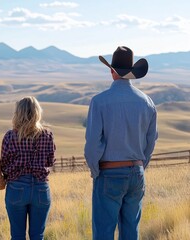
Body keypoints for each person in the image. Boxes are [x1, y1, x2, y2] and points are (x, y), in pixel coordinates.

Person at [84, 46, 158, 240]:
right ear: (131, 73)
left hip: (109, 172)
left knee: (103, 232)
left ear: (111, 70)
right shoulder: (147, 102)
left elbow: (92, 143)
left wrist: (95, 170)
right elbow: (150, 142)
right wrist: (141, 165)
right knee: (131, 230)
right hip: (136, 173)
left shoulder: (99, 101)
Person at [1, 96, 56, 240]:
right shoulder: (47, 135)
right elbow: (51, 160)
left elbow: (4, 164)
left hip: (16, 187)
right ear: (37, 112)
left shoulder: (10, 136)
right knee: (37, 236)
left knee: (17, 236)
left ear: (18, 113)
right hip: (41, 188)